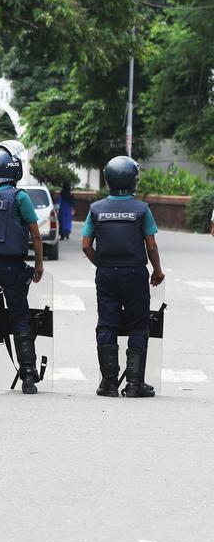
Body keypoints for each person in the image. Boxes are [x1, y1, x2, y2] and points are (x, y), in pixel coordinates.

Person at [82, 156, 164, 398]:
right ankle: (134, 383)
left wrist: (103, 264)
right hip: (134, 273)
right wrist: (157, 271)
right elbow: (151, 246)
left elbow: (86, 245)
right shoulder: (141, 209)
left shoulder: (96, 209)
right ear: (133, 180)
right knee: (139, 325)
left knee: (106, 323)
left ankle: (108, 383)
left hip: (106, 274)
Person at [0, 141, 44, 394]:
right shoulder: (18, 196)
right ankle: (27, 377)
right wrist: (39, 264)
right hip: (12, 265)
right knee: (20, 318)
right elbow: (35, 233)